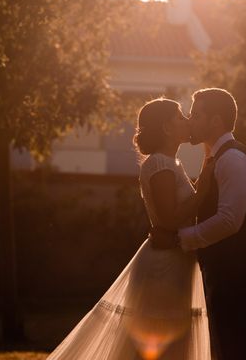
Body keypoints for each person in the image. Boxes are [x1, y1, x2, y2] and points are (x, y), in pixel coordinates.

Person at [46, 98, 211, 360]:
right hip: (164, 267)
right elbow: (169, 219)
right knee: (158, 342)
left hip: (176, 260)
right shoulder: (160, 164)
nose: (187, 120)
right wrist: (202, 193)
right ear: (167, 127)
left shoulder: (170, 163)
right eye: (181, 117)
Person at [151, 88, 246, 360]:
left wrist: (181, 239)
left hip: (235, 266)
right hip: (224, 265)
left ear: (216, 121)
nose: (190, 121)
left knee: (236, 345)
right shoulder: (216, 157)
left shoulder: (232, 159)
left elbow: (229, 220)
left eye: (197, 115)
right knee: (225, 345)